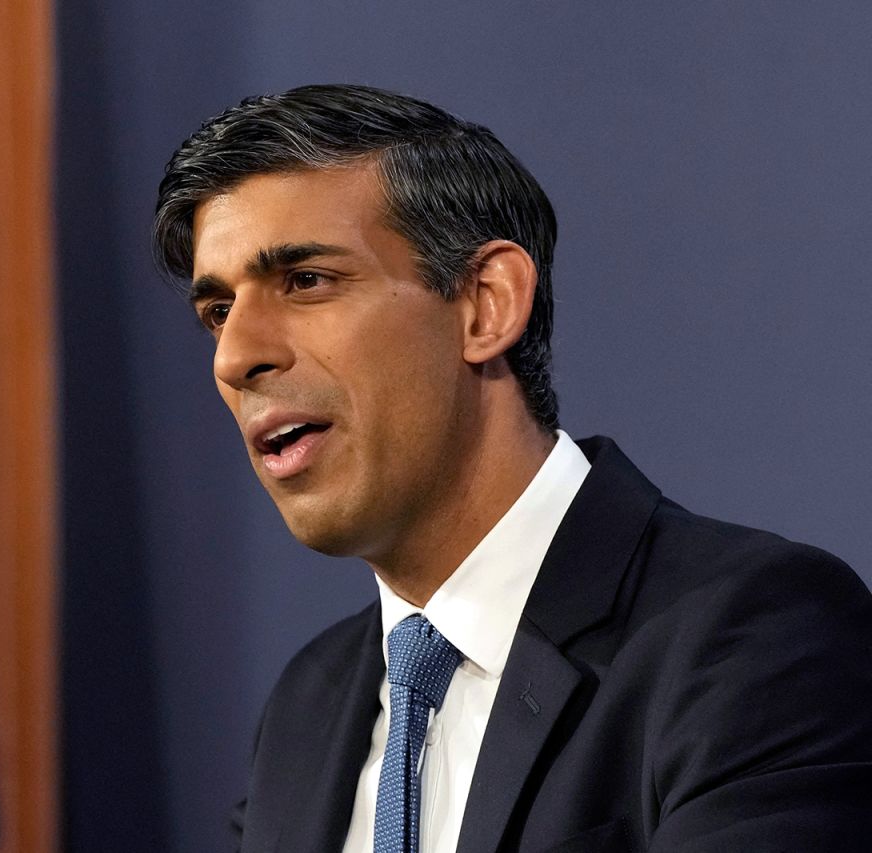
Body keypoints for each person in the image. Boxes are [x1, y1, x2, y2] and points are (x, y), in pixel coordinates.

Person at [152, 84, 872, 853]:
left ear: (486, 305)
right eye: (219, 312)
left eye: (306, 281)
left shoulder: (753, 636)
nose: (236, 356)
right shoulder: (309, 707)